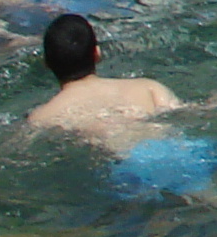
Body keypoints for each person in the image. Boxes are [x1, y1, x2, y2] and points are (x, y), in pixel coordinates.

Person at [24, 11, 188, 155]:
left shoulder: (43, 116)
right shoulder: (148, 87)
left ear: (46, 63)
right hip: (181, 148)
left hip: (128, 165)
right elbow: (187, 113)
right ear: (97, 54)